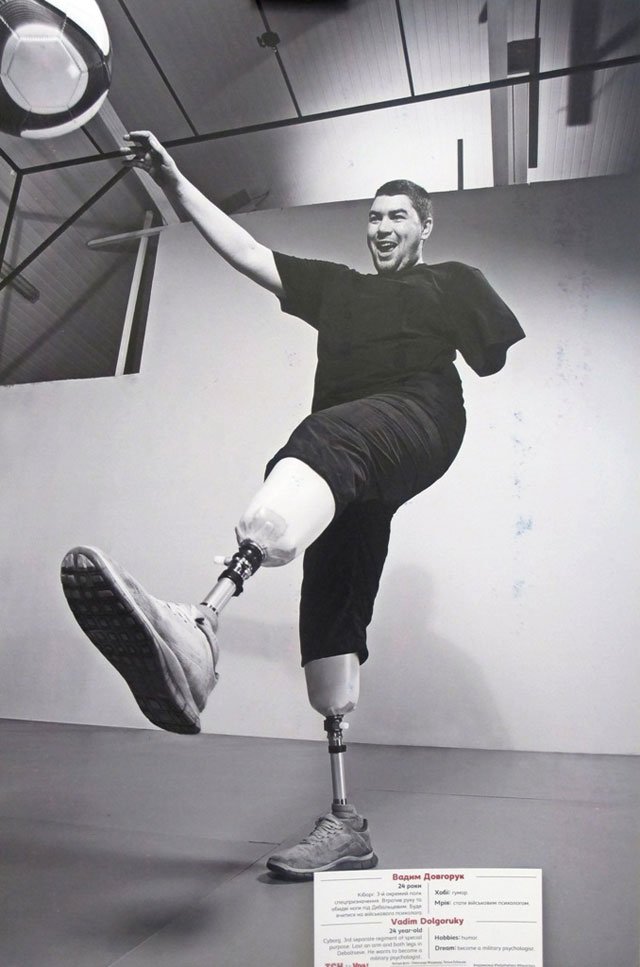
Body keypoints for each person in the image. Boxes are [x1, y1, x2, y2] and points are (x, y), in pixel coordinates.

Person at [61, 131, 525, 881]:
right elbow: (247, 250)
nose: (382, 227)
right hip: (343, 470)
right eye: (374, 216)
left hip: (419, 417)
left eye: (397, 216)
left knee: (325, 435)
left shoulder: (450, 281)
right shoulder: (337, 289)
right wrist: (175, 182)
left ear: (425, 226)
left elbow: (492, 356)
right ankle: (345, 823)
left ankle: (201, 623)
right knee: (330, 611)